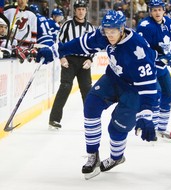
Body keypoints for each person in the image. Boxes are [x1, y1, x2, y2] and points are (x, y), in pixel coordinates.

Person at [36, 10, 163, 180]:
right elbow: (78, 44)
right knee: (91, 105)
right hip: (113, 79)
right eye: (107, 31)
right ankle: (93, 156)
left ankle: (117, 157)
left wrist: (146, 114)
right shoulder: (103, 35)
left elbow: (148, 85)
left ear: (122, 28)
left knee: (116, 128)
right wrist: (54, 51)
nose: (109, 36)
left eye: (113, 31)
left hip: (134, 90)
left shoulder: (137, 48)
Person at [136, 0, 171, 140]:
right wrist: (160, 57)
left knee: (168, 96)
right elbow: (142, 50)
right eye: (154, 10)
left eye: (159, 9)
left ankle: (161, 129)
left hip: (162, 68)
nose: (157, 12)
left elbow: (167, 46)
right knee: (155, 97)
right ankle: (152, 128)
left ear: (164, 10)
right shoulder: (145, 26)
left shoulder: (169, 23)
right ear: (150, 11)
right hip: (149, 68)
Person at [48, 0, 95, 130]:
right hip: (69, 61)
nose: (81, 11)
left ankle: (91, 120)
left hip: (84, 61)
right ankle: (54, 119)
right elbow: (59, 41)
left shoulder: (90, 27)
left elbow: (94, 45)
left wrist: (90, 59)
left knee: (87, 90)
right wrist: (62, 57)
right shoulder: (67, 25)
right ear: (75, 10)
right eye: (79, 9)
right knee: (65, 87)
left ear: (86, 11)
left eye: (83, 9)